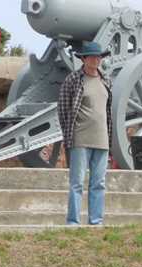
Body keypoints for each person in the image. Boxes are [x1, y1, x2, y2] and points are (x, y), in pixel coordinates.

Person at [57, 41, 113, 225]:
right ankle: (73, 221)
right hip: (80, 138)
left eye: (99, 57)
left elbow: (107, 111)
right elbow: (63, 110)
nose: (96, 60)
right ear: (84, 59)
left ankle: (96, 221)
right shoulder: (73, 80)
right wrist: (69, 136)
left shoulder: (106, 80)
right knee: (77, 183)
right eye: (92, 57)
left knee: (99, 183)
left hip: (102, 139)